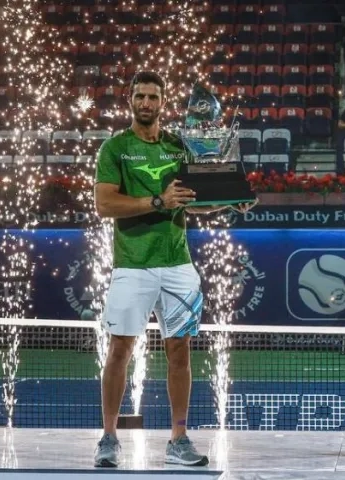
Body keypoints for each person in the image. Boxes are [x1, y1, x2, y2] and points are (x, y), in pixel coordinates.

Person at [92, 71, 254, 468]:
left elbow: (191, 200)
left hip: (178, 266)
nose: (146, 102)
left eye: (153, 97)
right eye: (140, 96)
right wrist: (158, 202)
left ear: (163, 103)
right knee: (119, 350)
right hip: (132, 266)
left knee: (179, 351)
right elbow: (105, 205)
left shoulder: (179, 146)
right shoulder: (115, 148)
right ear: (130, 99)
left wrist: (230, 200)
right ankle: (109, 438)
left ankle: (178, 439)